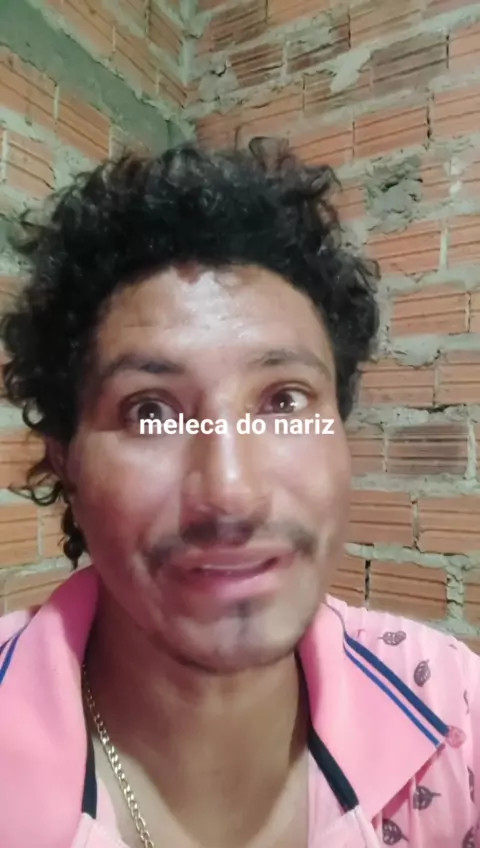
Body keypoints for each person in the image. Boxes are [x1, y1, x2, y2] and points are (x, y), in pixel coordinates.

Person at [0, 137, 477, 848]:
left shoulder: (455, 709)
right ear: (65, 460)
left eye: (284, 401)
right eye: (150, 411)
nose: (230, 495)